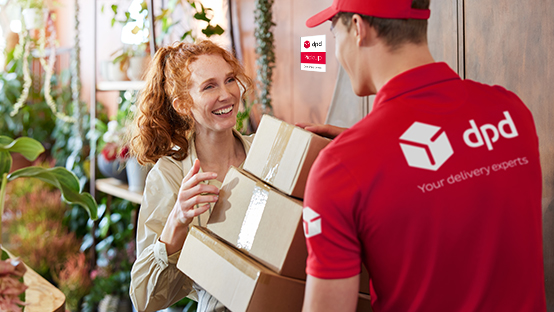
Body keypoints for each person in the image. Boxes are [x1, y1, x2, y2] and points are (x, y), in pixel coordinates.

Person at [301, 0, 546, 311]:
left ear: (358, 28)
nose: (336, 53)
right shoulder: (512, 112)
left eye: (335, 36)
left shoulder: (339, 170)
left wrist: (353, 158)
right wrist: (364, 146)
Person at [128, 40, 253, 312]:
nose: (227, 94)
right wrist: (178, 220)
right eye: (210, 86)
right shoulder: (170, 175)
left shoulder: (264, 154)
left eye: (230, 80)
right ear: (183, 104)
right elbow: (143, 300)